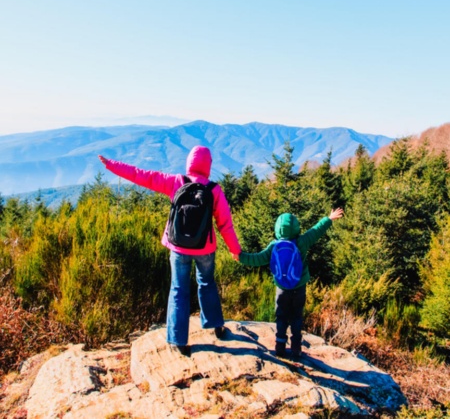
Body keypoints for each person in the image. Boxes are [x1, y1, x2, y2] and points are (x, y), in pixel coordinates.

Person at [99, 146, 242, 357]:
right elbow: (225, 224)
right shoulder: (214, 190)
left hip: (178, 247)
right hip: (205, 249)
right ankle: (216, 327)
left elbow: (142, 176)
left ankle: (178, 340)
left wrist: (112, 165)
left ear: (189, 162)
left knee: (178, 290)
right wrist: (235, 250)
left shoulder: (176, 182)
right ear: (208, 165)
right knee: (207, 283)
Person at [235, 207, 344, 359]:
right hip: (299, 287)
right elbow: (316, 230)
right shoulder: (302, 242)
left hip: (282, 288)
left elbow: (257, 258)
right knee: (296, 317)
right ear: (296, 228)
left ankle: (280, 346)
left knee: (281, 316)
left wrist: (241, 257)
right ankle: (296, 348)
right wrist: (329, 218)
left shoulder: (274, 246)